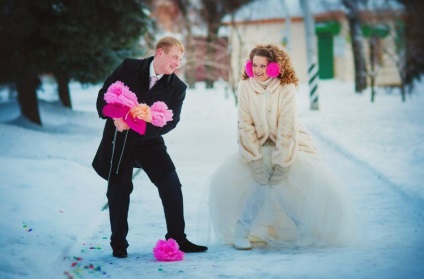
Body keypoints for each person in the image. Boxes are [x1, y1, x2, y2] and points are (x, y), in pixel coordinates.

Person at [207, 44, 357, 250]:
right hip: (258, 144)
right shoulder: (245, 87)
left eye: (263, 65)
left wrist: (283, 162)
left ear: (274, 67)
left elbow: (288, 127)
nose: (257, 70)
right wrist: (254, 160)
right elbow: (245, 125)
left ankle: (302, 227)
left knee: (282, 182)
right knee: (259, 183)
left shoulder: (286, 89)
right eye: (254, 65)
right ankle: (243, 229)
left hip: (289, 142)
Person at [92, 36, 207, 258]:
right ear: (160, 53)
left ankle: (178, 239)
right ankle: (118, 244)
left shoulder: (178, 87)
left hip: (149, 141)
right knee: (118, 190)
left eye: (181, 59)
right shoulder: (129, 67)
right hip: (119, 139)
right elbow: (103, 99)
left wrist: (136, 123)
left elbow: (171, 122)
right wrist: (118, 117)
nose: (178, 63)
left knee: (172, 186)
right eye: (175, 57)